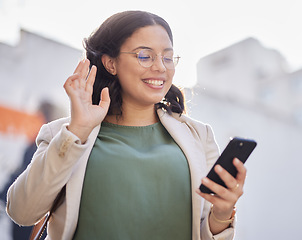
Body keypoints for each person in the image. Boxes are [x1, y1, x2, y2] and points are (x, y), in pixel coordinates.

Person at [6, 11, 247, 240]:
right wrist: (78, 130)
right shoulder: (66, 135)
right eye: (145, 56)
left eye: (167, 57)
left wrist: (222, 213)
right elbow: (21, 212)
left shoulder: (199, 137)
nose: (161, 67)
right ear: (111, 63)